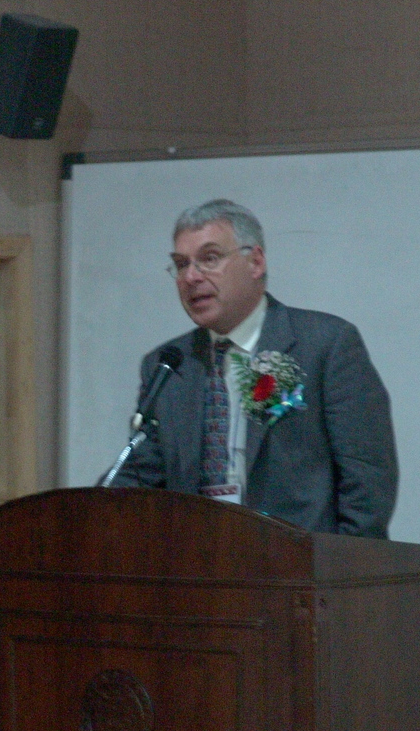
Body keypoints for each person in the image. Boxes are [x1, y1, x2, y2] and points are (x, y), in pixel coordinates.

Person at [111, 198, 398, 536]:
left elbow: (367, 478)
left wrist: (338, 562)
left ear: (255, 261)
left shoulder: (325, 345)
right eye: (181, 264)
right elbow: (139, 478)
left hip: (297, 560)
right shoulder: (168, 365)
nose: (191, 277)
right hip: (198, 559)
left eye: (209, 258)